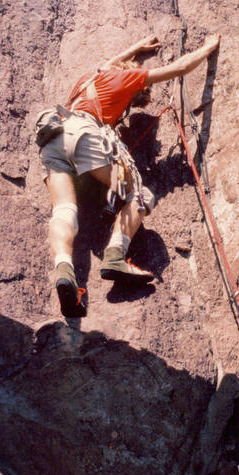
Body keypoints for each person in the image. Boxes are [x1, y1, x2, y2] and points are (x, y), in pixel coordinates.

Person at [40, 33, 220, 318]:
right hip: (85, 136)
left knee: (64, 210)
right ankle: (115, 256)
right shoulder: (125, 79)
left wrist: (136, 47)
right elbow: (181, 67)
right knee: (139, 195)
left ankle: (64, 269)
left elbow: (108, 63)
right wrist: (209, 48)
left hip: (54, 136)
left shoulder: (88, 79)